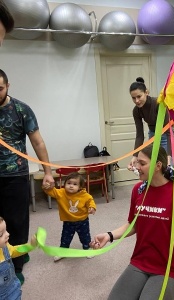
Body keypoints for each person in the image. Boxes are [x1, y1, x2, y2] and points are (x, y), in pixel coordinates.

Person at [90, 145, 174, 300]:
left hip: (168, 268)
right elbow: (133, 224)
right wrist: (109, 236)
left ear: (158, 166)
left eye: (142, 163)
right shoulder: (138, 190)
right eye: (136, 163)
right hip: (140, 261)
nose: (136, 167)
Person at [0, 69, 55, 285]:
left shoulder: (22, 110)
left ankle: (17, 265)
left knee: (16, 221)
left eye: (0, 89)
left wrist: (48, 172)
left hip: (16, 174)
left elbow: (38, 142)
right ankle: (7, 255)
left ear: (8, 86)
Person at [43, 172, 96, 262]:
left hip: (82, 221)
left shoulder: (85, 195)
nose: (71, 186)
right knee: (65, 237)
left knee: (85, 237)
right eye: (69, 183)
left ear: (80, 187)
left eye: (75, 184)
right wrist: (47, 187)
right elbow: (52, 192)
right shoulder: (61, 193)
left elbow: (90, 201)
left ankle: (87, 250)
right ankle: (63, 251)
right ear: (65, 184)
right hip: (68, 221)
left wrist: (92, 208)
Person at [127, 77, 172, 171]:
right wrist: (135, 156)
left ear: (146, 92)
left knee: (167, 168)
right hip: (152, 134)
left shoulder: (158, 103)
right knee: (153, 167)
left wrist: (169, 156)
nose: (136, 101)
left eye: (139, 96)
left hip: (166, 135)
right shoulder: (136, 111)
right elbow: (139, 135)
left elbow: (168, 132)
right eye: (133, 98)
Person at [0, 216, 37, 299]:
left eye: (6, 230)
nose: (7, 234)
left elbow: (13, 251)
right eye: (1, 234)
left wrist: (30, 246)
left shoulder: (5, 247)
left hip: (13, 290)